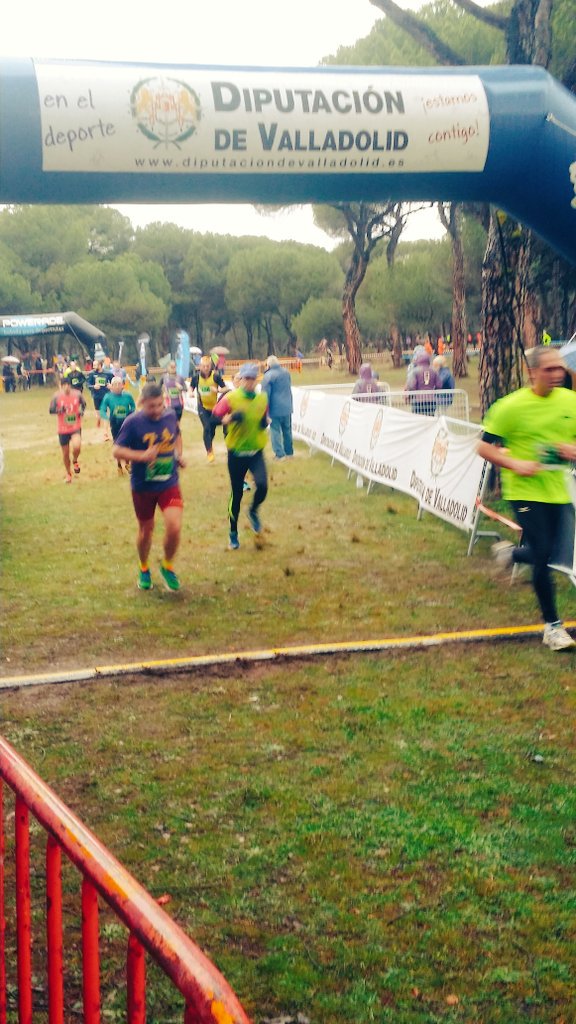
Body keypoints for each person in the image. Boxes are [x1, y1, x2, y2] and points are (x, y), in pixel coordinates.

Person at [478, 345, 576, 651]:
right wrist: (515, 463)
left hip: (556, 490)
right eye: (548, 369)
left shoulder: (570, 402)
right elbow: (483, 447)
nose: (556, 374)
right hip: (523, 491)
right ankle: (553, 627)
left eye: (559, 368)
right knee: (544, 554)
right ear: (532, 372)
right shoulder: (510, 407)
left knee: (554, 555)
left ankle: (512, 555)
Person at [112, 382, 186, 592]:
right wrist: (141, 456)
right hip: (143, 486)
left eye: (159, 404)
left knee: (174, 525)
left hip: (169, 482)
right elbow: (116, 450)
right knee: (146, 530)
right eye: (151, 406)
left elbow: (177, 434)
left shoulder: (170, 415)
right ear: (142, 403)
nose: (156, 410)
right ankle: (144, 568)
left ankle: (167, 566)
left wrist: (178, 455)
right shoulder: (133, 422)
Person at [211, 363, 269, 550]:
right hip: (236, 453)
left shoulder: (262, 399)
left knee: (262, 485)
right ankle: (233, 533)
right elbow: (213, 418)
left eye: (253, 379)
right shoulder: (231, 398)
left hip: (255, 452)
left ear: (256, 380)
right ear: (240, 380)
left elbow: (262, 421)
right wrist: (226, 419)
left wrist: (264, 423)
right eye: (246, 379)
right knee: (236, 494)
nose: (249, 382)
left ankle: (252, 511)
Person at [49, 376, 86, 483]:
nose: (65, 388)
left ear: (70, 385)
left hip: (75, 426)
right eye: (63, 385)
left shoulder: (77, 394)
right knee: (65, 454)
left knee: (77, 446)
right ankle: (68, 474)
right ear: (60, 386)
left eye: (67, 385)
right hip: (62, 429)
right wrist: (59, 410)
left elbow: (83, 404)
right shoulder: (56, 396)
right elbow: (51, 410)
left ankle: (75, 460)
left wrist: (81, 412)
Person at [191, 355, 226, 462]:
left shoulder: (215, 376)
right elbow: (191, 387)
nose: (205, 368)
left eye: (207, 366)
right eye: (203, 366)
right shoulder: (196, 377)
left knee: (212, 430)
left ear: (210, 366)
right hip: (203, 407)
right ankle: (209, 452)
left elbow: (226, 388)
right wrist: (190, 392)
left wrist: (218, 391)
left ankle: (209, 444)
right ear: (200, 366)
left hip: (214, 408)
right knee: (206, 427)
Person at [99, 376, 136, 475]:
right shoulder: (108, 397)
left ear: (123, 385)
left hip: (126, 423)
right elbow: (102, 409)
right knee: (118, 445)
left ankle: (128, 464)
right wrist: (105, 417)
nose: (117, 386)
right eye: (115, 384)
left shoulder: (128, 396)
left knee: (127, 444)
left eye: (119, 384)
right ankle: (119, 465)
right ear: (111, 386)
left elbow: (133, 406)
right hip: (115, 424)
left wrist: (131, 413)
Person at [261, 355, 294, 460]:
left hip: (275, 408)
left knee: (275, 431)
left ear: (268, 365)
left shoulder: (268, 376)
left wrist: (264, 410)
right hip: (287, 407)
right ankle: (289, 452)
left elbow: (265, 395)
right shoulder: (286, 372)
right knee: (287, 430)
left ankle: (280, 454)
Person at [405, 351, 440, 416]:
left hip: (418, 400)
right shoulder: (434, 371)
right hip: (431, 400)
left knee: (418, 420)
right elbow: (439, 385)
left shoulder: (415, 371)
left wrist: (409, 396)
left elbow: (412, 385)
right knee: (430, 418)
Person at [86, 359, 114, 431]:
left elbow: (114, 381)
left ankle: (106, 430)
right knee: (98, 413)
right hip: (96, 396)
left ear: (100, 365)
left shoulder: (108, 373)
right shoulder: (91, 374)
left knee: (104, 412)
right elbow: (88, 384)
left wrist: (111, 386)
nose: (93, 366)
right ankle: (98, 419)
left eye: (95, 365)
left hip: (106, 395)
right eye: (93, 365)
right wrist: (93, 387)